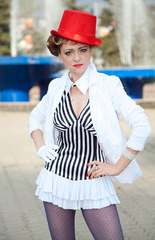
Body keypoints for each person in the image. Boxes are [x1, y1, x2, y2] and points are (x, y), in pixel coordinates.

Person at [28, 10, 151, 240]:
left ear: (91, 51)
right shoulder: (56, 88)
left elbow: (142, 127)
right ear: (60, 56)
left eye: (83, 50)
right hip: (56, 179)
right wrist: (41, 148)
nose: (77, 58)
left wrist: (117, 167)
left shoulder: (108, 85)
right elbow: (34, 119)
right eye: (69, 52)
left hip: (93, 181)